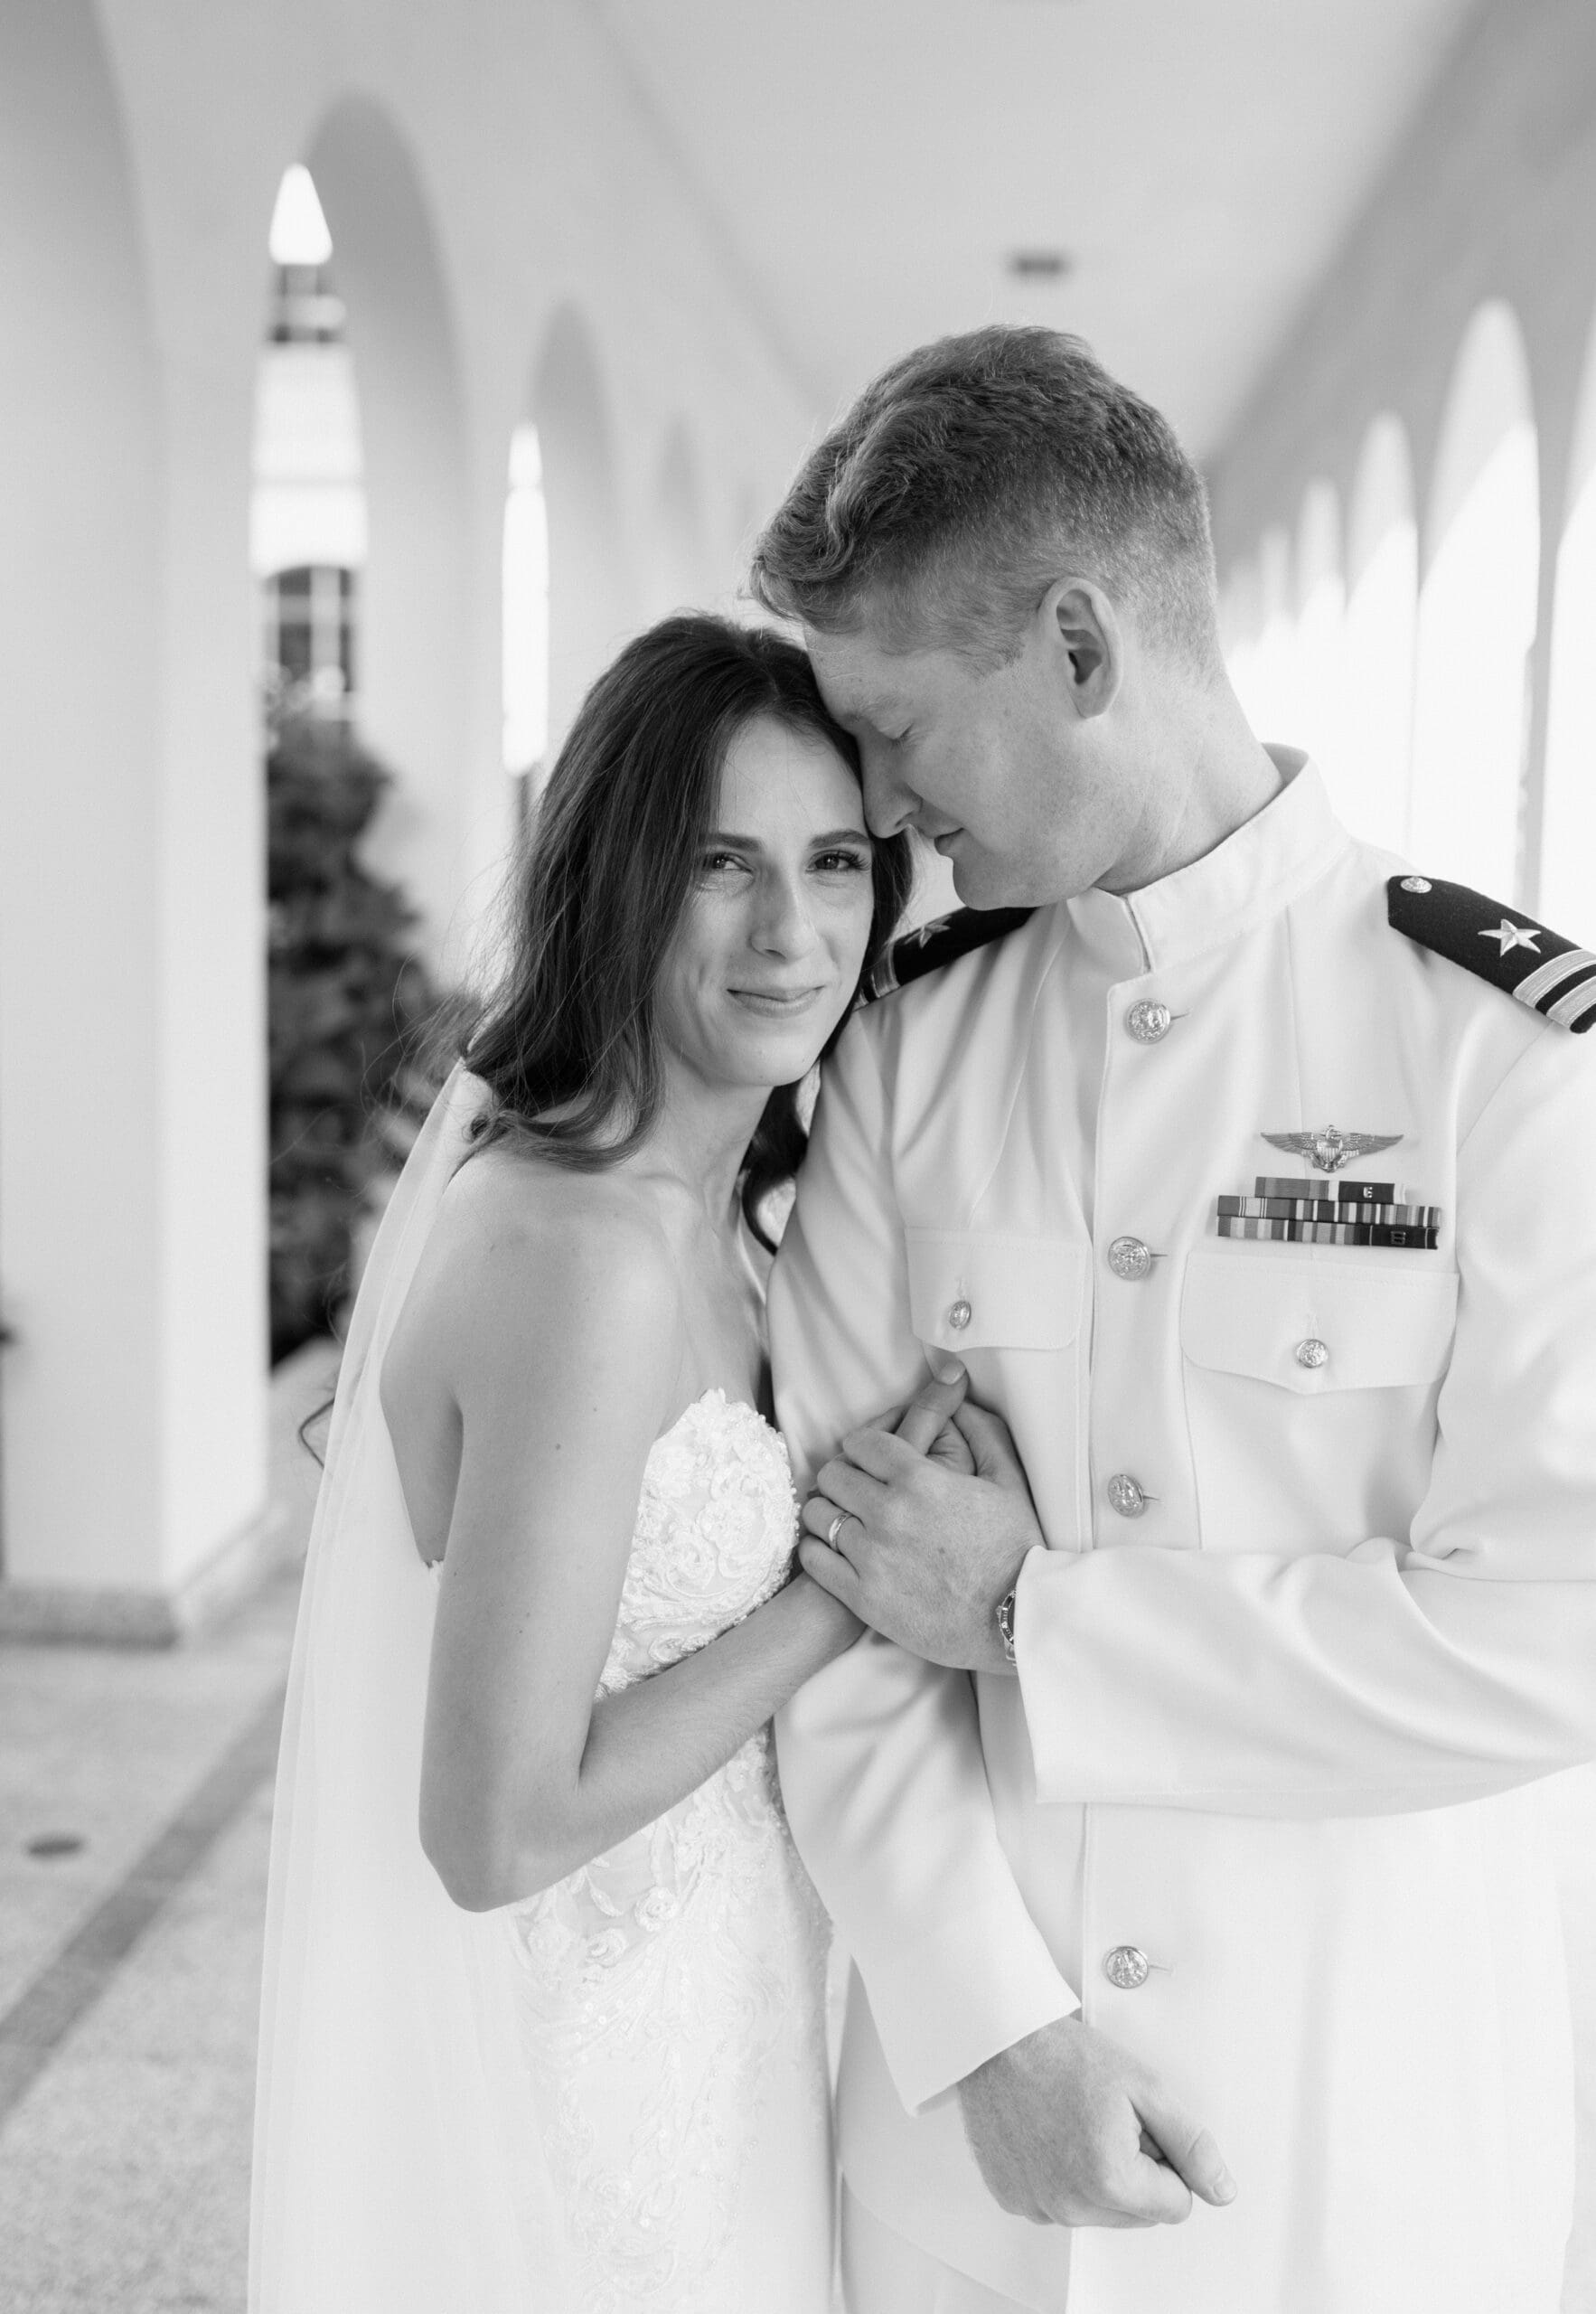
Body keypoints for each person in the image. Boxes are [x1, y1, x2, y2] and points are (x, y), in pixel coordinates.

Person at [751, 325, 1596, 2314]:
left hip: (1353, 2132)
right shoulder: (906, 1047)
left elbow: (1554, 1626)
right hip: (971, 2160)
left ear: (1074, 646)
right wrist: (987, 2028)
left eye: (890, 726)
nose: (870, 804)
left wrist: (1031, 1612)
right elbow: (832, 1588)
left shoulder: (1502, 1057)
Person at [249, 612, 923, 2313]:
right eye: (719, 866)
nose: (793, 930)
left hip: (729, 2021)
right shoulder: (583, 1256)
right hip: (593, 2103)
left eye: (832, 861)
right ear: (617, 885)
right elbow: (494, 1824)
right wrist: (845, 1590)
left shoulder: (726, 1220)